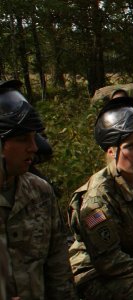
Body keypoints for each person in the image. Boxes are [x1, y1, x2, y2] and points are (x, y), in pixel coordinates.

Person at [68, 96, 133, 299]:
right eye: (130, 146)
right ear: (111, 151)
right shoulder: (97, 199)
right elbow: (108, 262)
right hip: (96, 275)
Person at [0, 79, 75, 299]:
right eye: (23, 139)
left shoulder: (40, 193)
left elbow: (59, 271)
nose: (33, 148)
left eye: (34, 138)